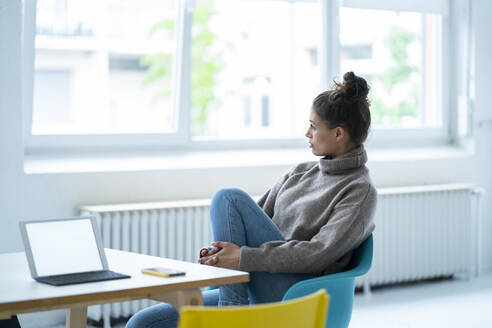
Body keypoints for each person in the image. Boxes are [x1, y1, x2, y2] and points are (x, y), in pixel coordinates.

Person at [126, 71, 377, 328]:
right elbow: (253, 219)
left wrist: (243, 257)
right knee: (144, 322)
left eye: (314, 126)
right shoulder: (302, 171)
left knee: (229, 198)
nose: (307, 133)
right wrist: (222, 253)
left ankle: (231, 312)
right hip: (257, 283)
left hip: (299, 293)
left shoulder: (359, 191)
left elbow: (318, 253)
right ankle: (233, 309)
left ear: (338, 134)